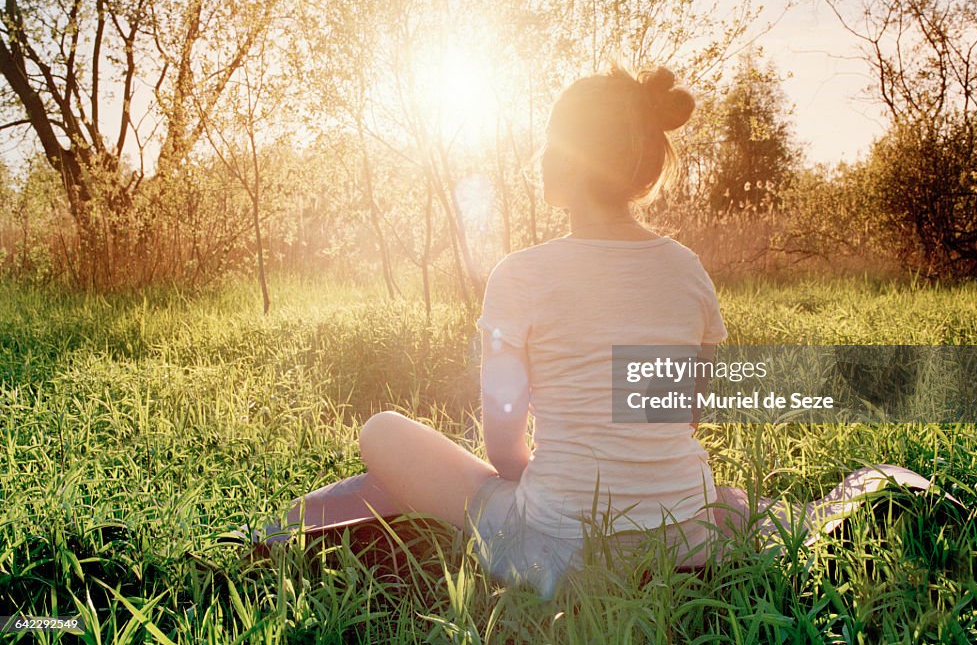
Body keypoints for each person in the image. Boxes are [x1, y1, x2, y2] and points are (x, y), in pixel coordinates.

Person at [247, 64, 727, 597]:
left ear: (568, 158)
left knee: (382, 431)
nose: (540, 155)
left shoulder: (521, 274)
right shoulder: (688, 270)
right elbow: (686, 416)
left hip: (558, 549)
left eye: (550, 140)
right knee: (723, 500)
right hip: (690, 539)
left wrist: (543, 483)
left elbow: (503, 450)